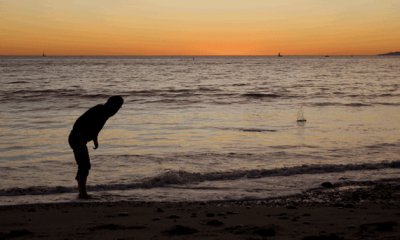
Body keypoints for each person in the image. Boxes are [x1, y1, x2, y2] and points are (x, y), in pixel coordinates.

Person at [68, 96, 124, 199]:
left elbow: (95, 127)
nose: (116, 110)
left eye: (119, 108)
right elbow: (82, 125)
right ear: (110, 104)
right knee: (84, 165)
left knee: (84, 165)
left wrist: (95, 139)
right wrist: (81, 145)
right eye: (117, 107)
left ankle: (80, 183)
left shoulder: (106, 113)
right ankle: (82, 194)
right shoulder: (99, 111)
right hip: (76, 138)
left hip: (82, 140)